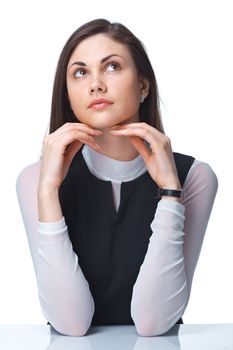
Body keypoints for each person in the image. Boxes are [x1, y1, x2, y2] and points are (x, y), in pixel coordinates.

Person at [16, 18, 218, 337]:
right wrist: (48, 192)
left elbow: (153, 323)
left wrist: (169, 192)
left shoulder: (194, 177)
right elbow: (71, 324)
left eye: (111, 67)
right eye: (80, 72)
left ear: (143, 85)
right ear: (67, 95)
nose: (96, 84)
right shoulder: (34, 180)